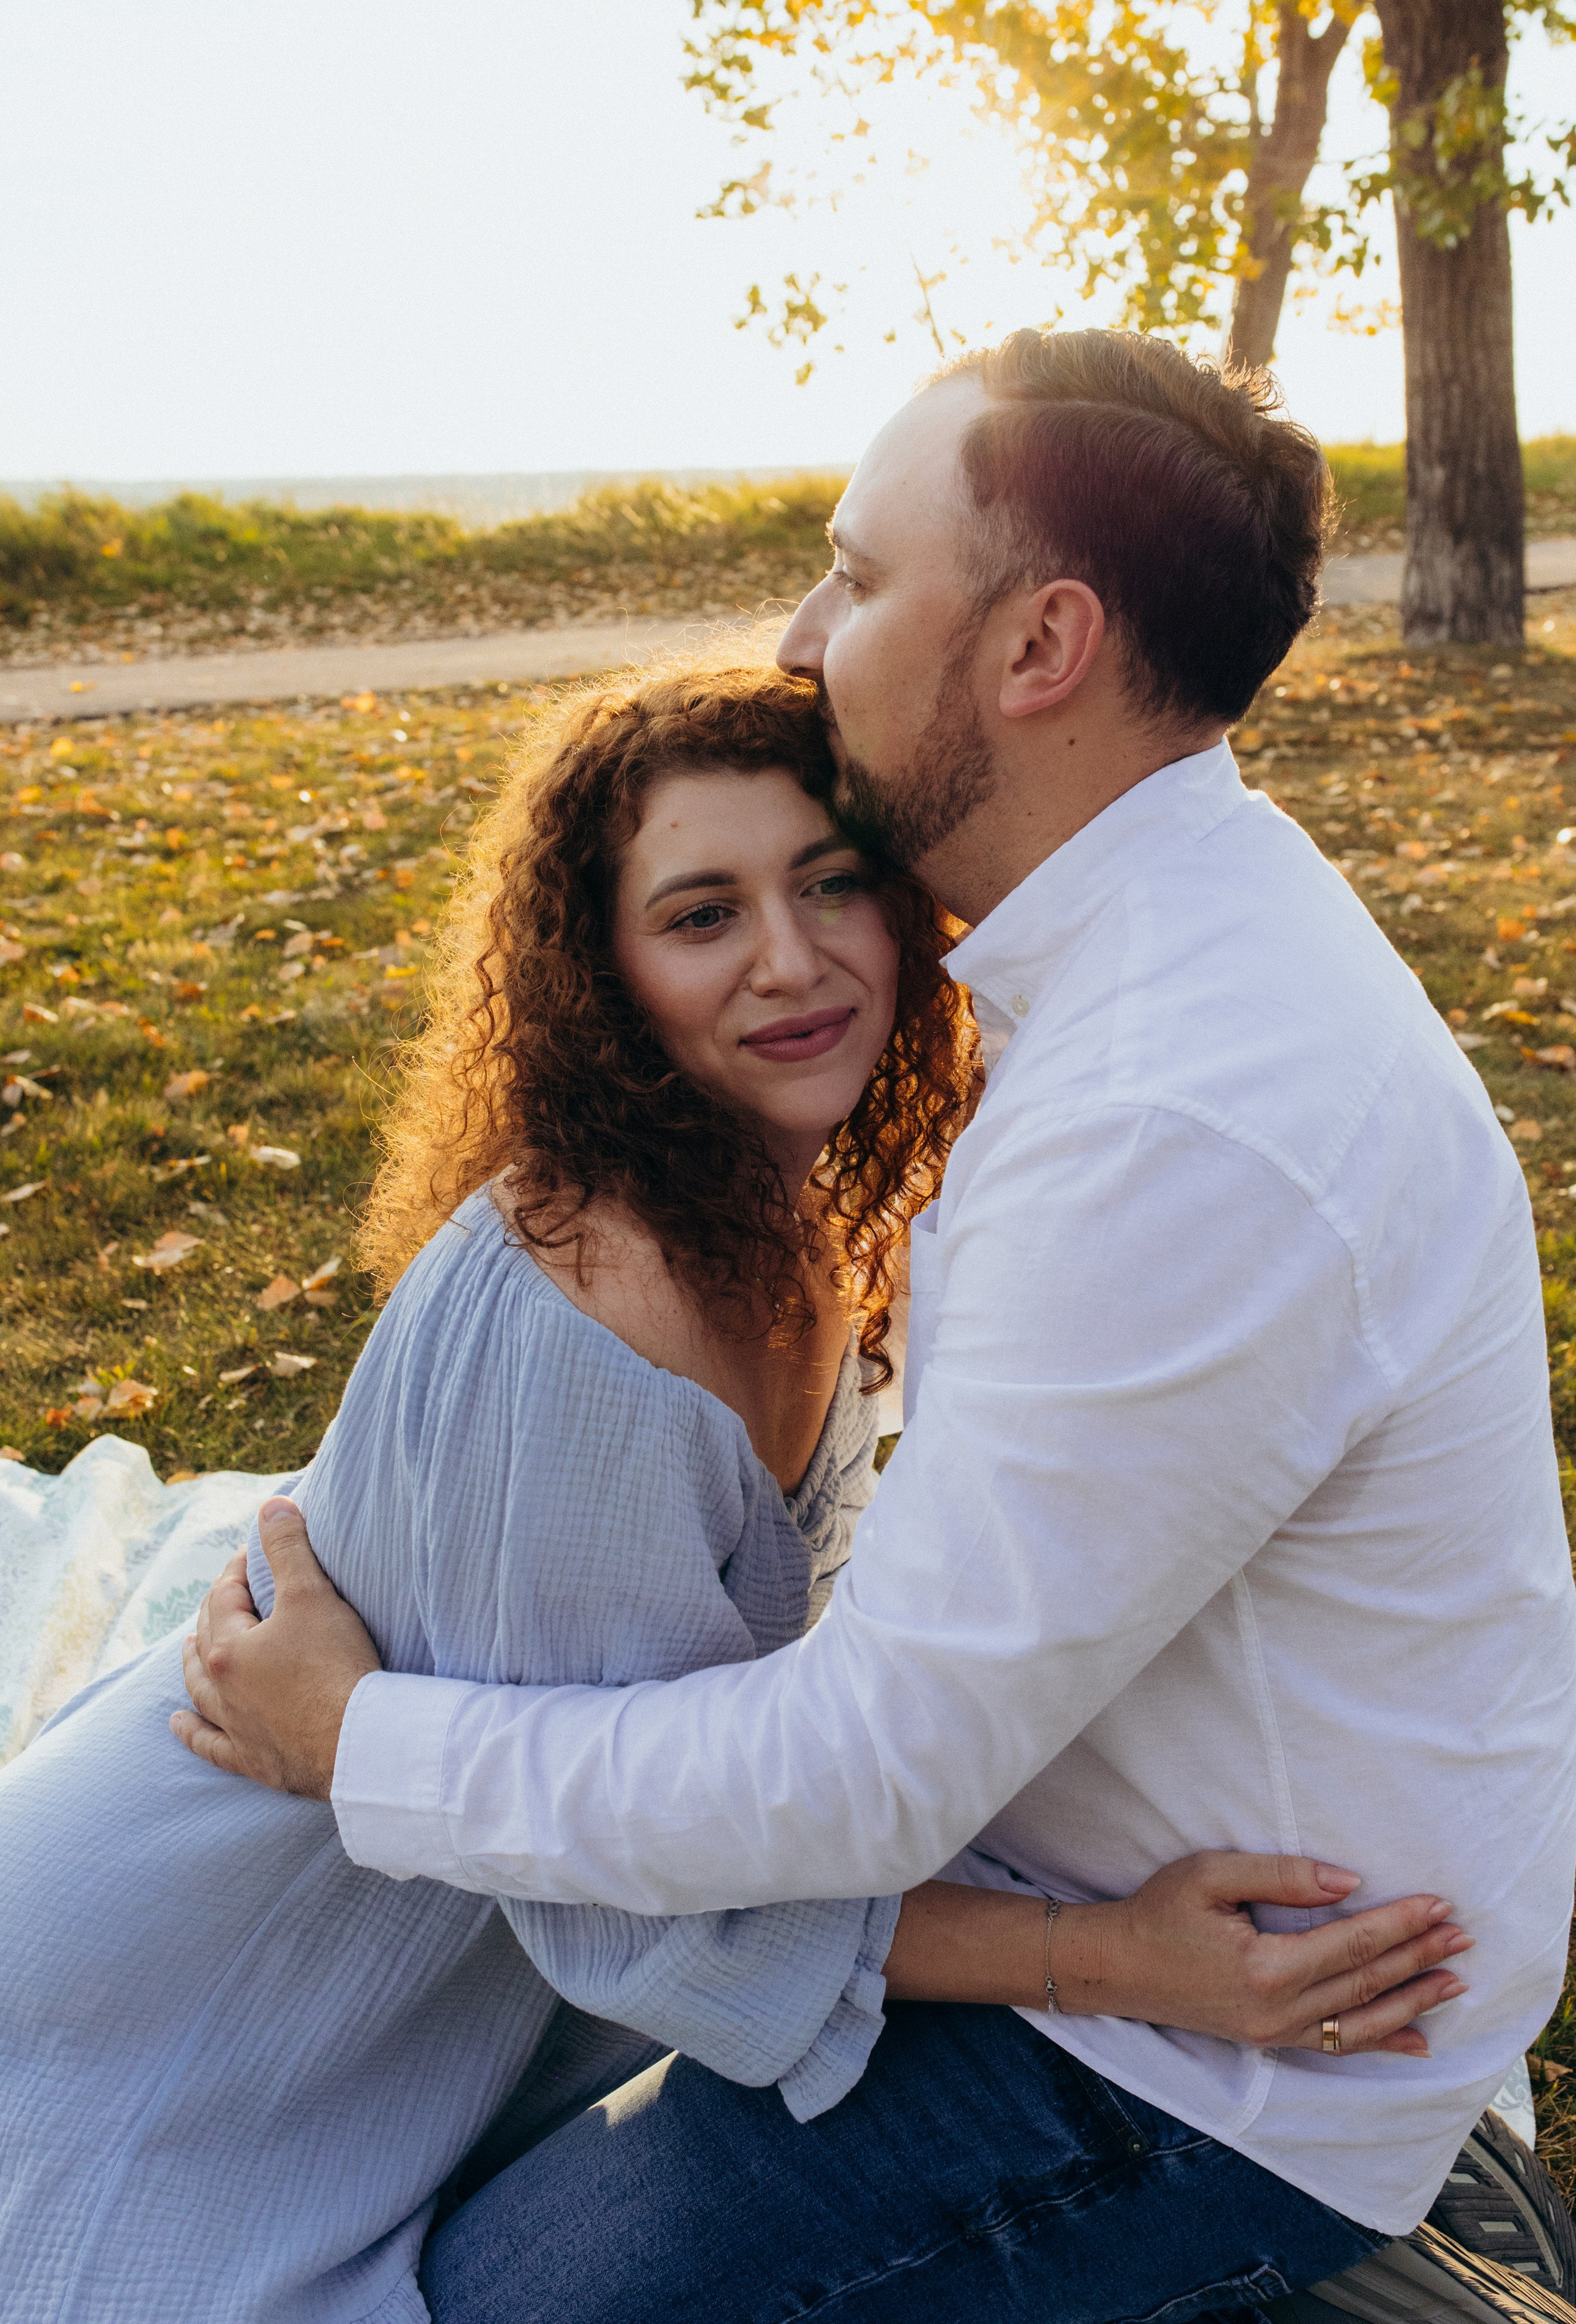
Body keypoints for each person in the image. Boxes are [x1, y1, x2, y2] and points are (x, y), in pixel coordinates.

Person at [179, 330, 1576, 2324]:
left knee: (490, 2303)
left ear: (1040, 646)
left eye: (857, 570)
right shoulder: (1167, 947)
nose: (801, 629)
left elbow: (861, 1776)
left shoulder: (1176, 1115)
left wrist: (356, 1740)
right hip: (1127, 1920)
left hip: (1219, 2064)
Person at [0, 663, 1453, 2324]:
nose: (792, 956)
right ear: (605, 976)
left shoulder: (793, 1211)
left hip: (449, 1947)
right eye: (702, 913)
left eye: (830, 881)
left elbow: (736, 1750)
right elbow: (656, 1885)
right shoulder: (588, 1308)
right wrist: (1113, 1954)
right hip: (180, 2001)